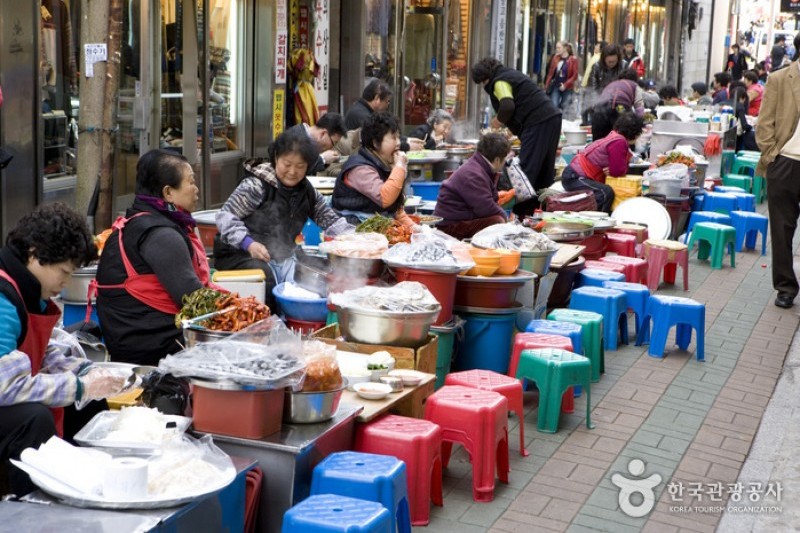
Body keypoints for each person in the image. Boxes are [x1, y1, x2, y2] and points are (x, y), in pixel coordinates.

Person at [0, 203, 126, 496]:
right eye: (64, 272)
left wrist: (84, 374)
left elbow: (38, 351)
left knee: (91, 400)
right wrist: (78, 386)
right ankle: (32, 509)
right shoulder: (4, 300)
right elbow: (4, 386)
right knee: (34, 419)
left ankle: (92, 484)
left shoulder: (29, 290)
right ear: (34, 254)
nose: (65, 283)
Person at [96, 150, 218, 366]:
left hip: (128, 340)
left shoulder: (139, 220)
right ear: (168, 193)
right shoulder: (161, 234)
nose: (196, 189)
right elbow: (194, 300)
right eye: (191, 182)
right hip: (153, 348)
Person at [215, 129, 347, 311]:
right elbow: (225, 217)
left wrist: (360, 240)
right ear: (276, 158)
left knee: (321, 274)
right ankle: (270, 325)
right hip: (238, 254)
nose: (292, 172)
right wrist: (248, 243)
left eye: (300, 166)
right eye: (287, 164)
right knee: (266, 276)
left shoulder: (307, 191)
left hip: (281, 256)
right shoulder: (256, 185)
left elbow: (332, 222)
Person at [470, 57, 562, 216]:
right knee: (544, 170)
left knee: (527, 170)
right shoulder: (510, 74)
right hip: (551, 118)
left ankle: (521, 213)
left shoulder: (499, 81)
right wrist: (511, 130)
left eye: (482, 83)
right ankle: (540, 211)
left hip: (537, 121)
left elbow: (507, 105)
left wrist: (497, 122)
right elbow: (523, 103)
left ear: (485, 78)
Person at [755, 32, 800, 308]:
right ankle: (785, 287)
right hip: (785, 162)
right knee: (782, 230)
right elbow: (764, 123)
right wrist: (772, 154)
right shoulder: (780, 78)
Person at [332, 112, 416, 227]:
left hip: (377, 229)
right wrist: (399, 167)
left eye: (398, 137)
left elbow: (396, 210)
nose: (398, 143)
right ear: (375, 143)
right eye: (393, 138)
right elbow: (385, 198)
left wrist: (415, 229)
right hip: (355, 231)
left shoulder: (383, 163)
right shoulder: (360, 169)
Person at [560, 112, 645, 213]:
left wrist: (615, 168)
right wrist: (617, 169)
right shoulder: (619, 142)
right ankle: (598, 221)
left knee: (605, 189)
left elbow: (615, 169)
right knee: (605, 192)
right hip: (574, 177)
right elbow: (617, 171)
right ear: (635, 133)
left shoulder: (614, 136)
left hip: (573, 174)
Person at [433, 133, 510, 239]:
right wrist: (507, 219)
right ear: (497, 160)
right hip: (450, 227)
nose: (504, 164)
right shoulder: (474, 174)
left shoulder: (479, 166)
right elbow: (485, 208)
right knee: (497, 221)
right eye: (504, 160)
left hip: (462, 220)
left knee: (498, 219)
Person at [344, 79, 424, 152]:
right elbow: (381, 140)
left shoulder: (363, 110)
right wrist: (407, 146)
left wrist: (407, 140)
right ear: (377, 98)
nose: (387, 105)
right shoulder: (361, 114)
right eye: (387, 101)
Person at [591, 68, 644, 142]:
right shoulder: (634, 85)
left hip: (600, 108)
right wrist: (640, 122)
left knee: (599, 140)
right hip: (619, 107)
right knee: (625, 132)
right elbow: (639, 106)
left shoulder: (612, 84)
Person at [544, 41, 579, 113]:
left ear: (565, 48)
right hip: (556, 85)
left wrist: (565, 85)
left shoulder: (573, 59)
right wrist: (547, 85)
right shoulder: (555, 58)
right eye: (556, 48)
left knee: (565, 107)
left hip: (568, 87)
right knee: (554, 106)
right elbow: (550, 73)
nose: (557, 49)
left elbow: (575, 75)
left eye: (559, 48)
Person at [729, 84, 758, 151]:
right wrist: (751, 126)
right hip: (735, 139)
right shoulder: (740, 106)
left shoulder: (722, 103)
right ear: (743, 98)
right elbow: (744, 125)